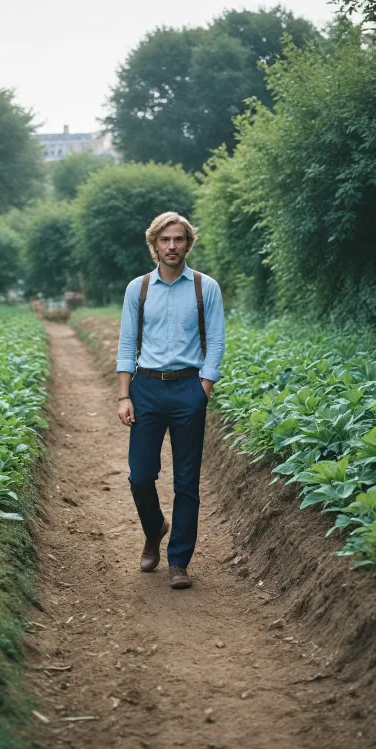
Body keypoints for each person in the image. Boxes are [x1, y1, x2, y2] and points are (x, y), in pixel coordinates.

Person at [115, 211, 225, 590]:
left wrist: (203, 391)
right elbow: (127, 344)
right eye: (165, 240)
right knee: (140, 476)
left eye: (178, 239)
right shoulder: (138, 289)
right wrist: (124, 395)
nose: (172, 246)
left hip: (188, 390)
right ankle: (154, 528)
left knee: (187, 482)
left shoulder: (205, 287)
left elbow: (217, 343)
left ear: (188, 243)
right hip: (145, 388)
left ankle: (179, 561)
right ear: (154, 245)